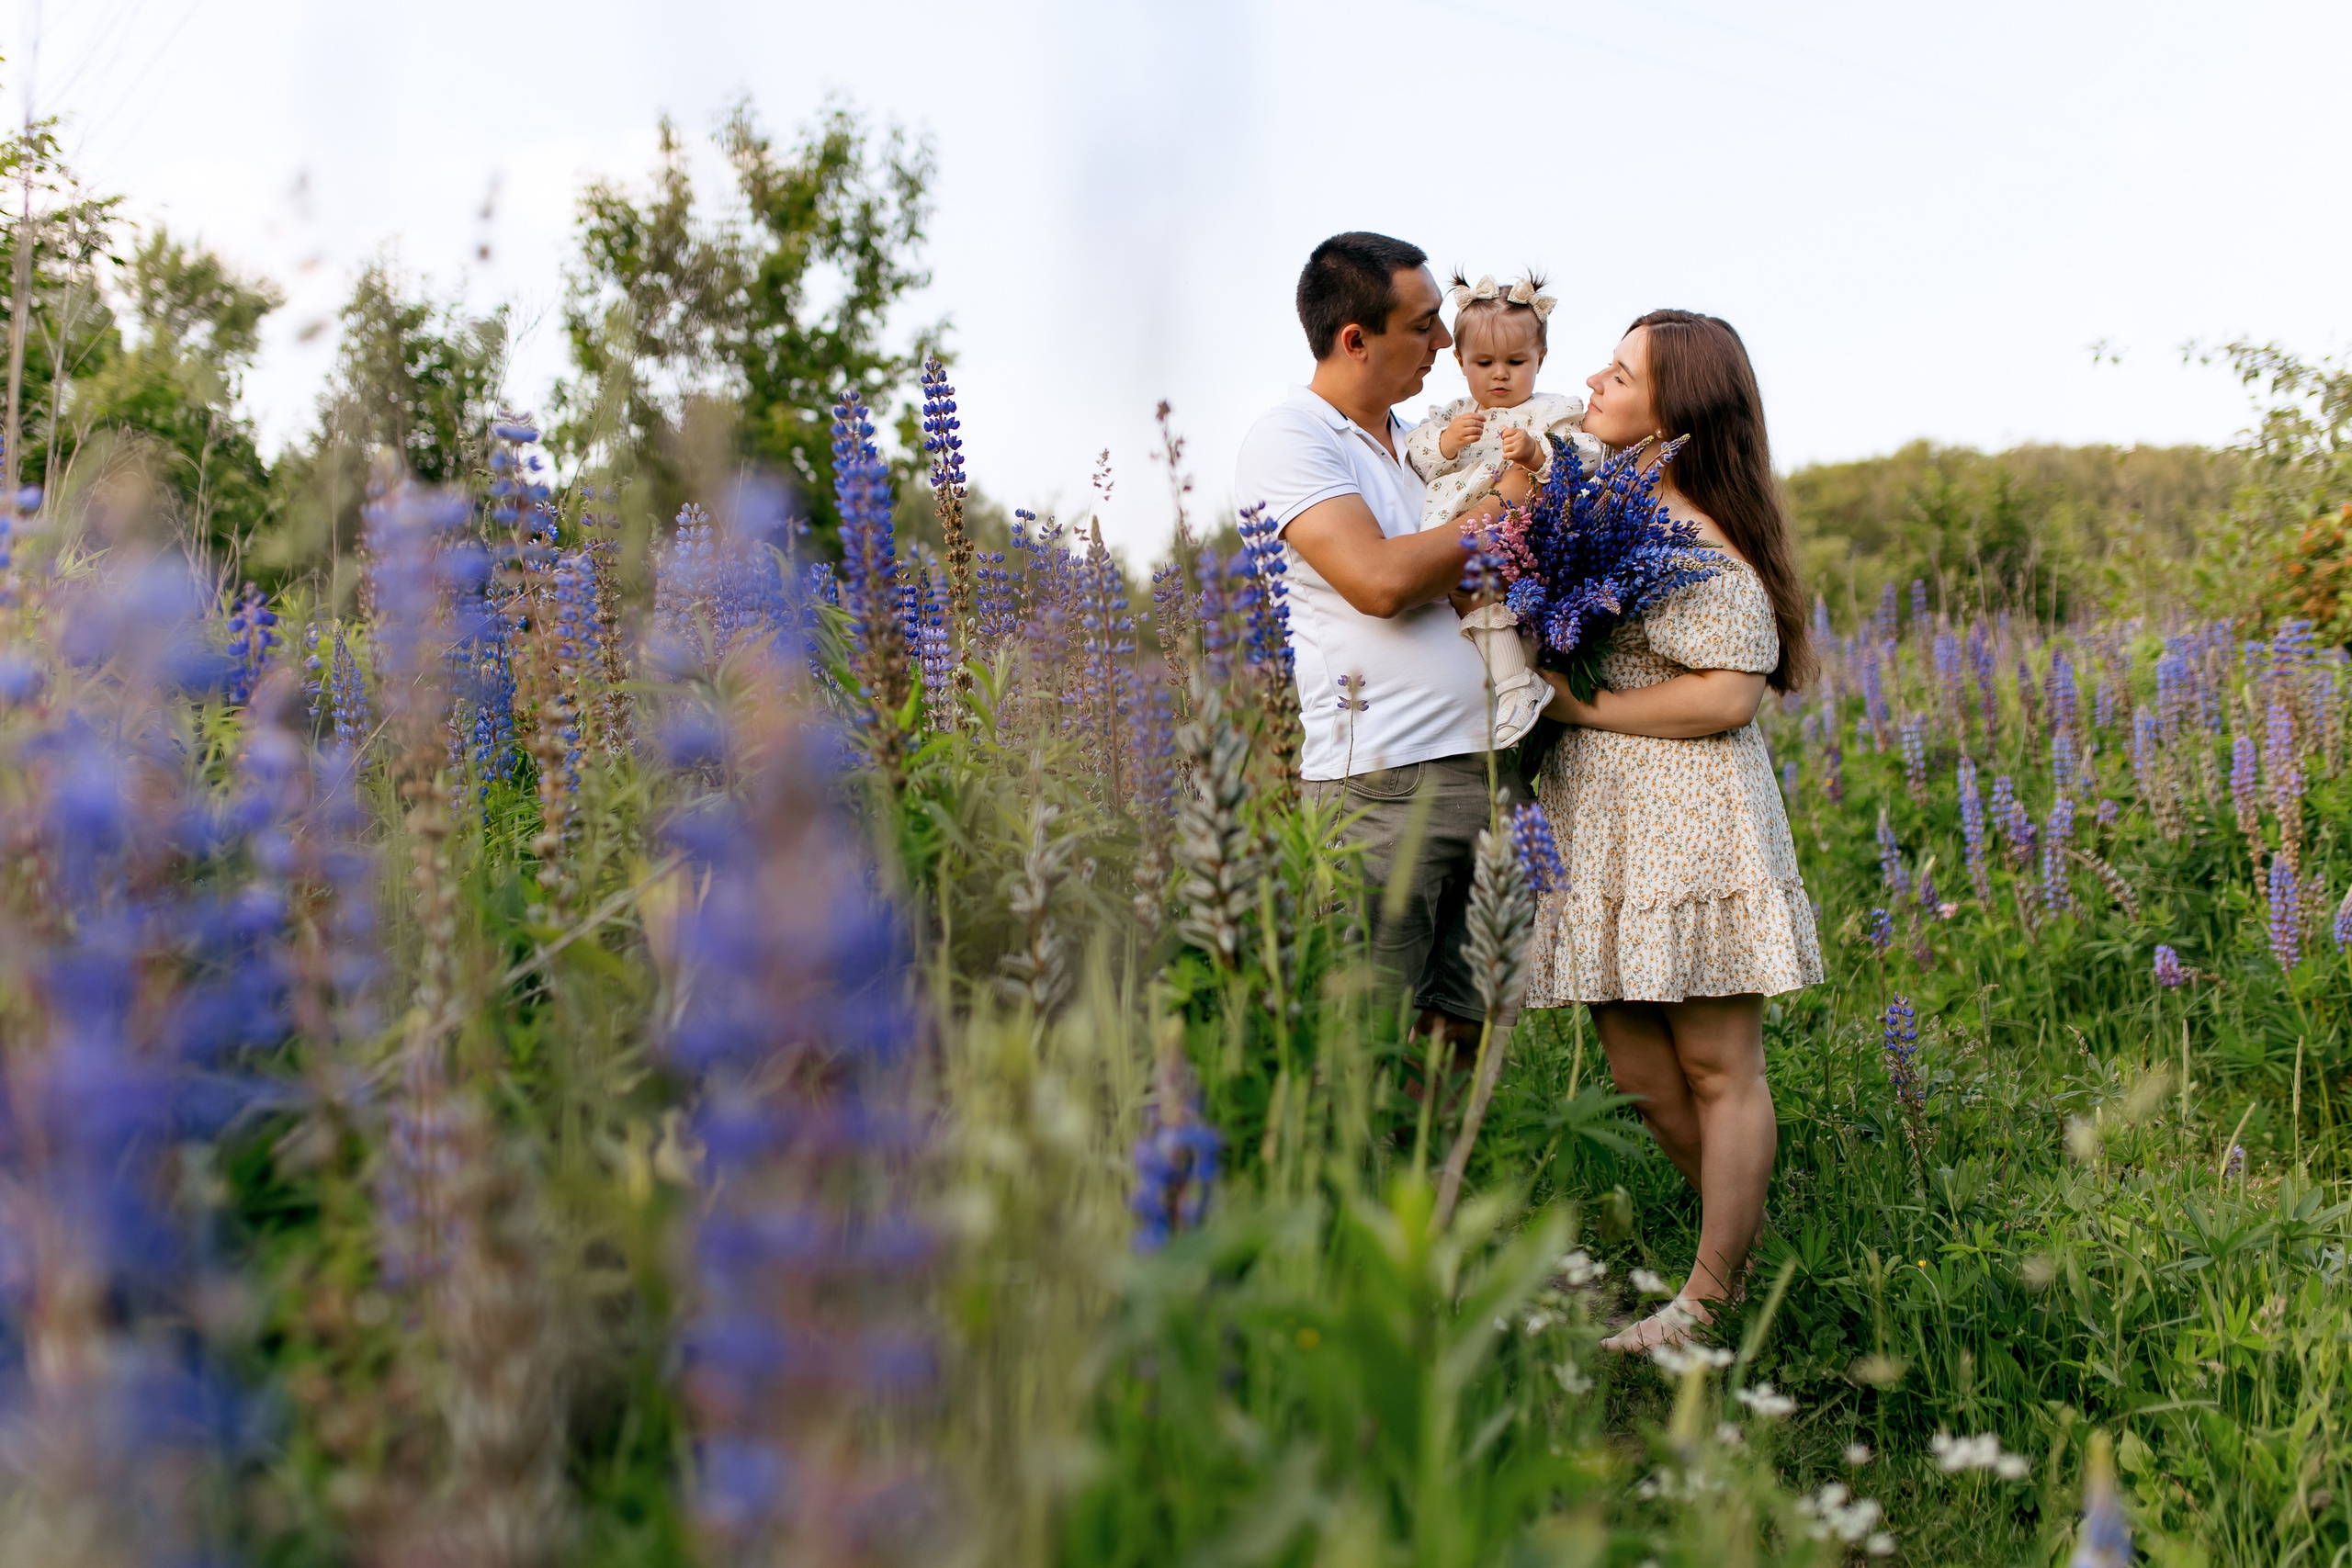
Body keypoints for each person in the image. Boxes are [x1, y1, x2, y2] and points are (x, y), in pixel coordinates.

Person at [1521, 309, 1823, 1351]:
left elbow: (1728, 696)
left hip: (1690, 820)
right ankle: (1762, 1255)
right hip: (1606, 825)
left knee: (1714, 1068)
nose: (1595, 382)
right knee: (1641, 1077)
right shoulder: (1614, 500)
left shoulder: (1693, 531)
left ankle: (1710, 1297)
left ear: (1674, 406)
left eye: (1621, 373)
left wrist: (1571, 704)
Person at [1232, 231, 1518, 1051]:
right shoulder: (1293, 437)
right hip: (1381, 787)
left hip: (1489, 767)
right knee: (1365, 1050)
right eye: (1424, 325)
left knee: (1463, 1040)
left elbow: (1460, 576)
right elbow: (1380, 581)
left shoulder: (1425, 444)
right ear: (1355, 339)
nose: (1445, 342)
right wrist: (1504, 510)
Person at [1402, 271, 1600, 750]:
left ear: (1540, 358)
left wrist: (1536, 453)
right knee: (1473, 601)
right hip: (1465, 539)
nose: (1500, 374)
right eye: (1484, 362)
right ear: (1460, 361)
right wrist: (1447, 444)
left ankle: (1520, 686)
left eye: (1516, 361)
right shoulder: (1453, 415)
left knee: (1508, 600)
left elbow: (1587, 456)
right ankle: (1516, 688)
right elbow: (1417, 456)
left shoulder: (1549, 412)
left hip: (1527, 537)